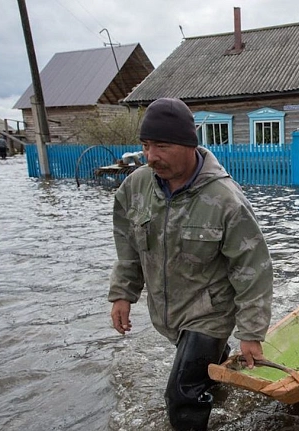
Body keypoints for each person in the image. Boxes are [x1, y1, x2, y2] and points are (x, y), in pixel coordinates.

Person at [108, 98, 274, 431]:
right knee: (200, 377)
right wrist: (123, 293)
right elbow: (128, 246)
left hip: (211, 312)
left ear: (189, 145)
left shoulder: (226, 200)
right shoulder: (135, 187)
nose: (151, 156)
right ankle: (218, 392)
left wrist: (251, 333)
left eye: (162, 146)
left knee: (181, 393)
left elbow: (253, 269)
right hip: (169, 310)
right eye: (146, 146)